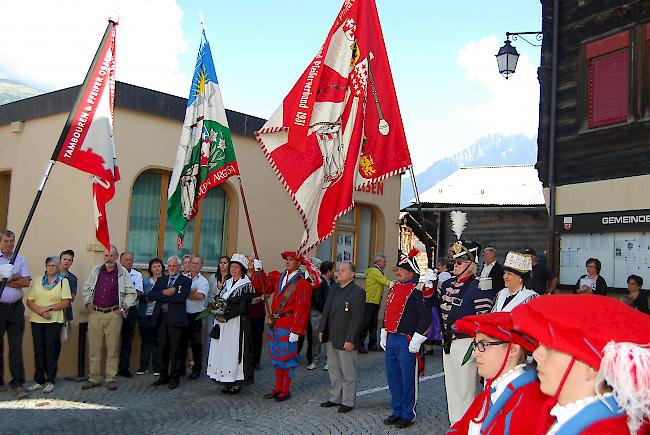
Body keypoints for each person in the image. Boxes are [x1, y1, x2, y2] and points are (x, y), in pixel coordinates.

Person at [512, 295, 650, 434]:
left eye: (550, 347)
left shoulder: (600, 430)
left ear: (592, 366)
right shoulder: (587, 419)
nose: (536, 354)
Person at [448, 312, 553, 434]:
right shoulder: (493, 389)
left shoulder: (527, 400)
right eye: (475, 345)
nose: (476, 353)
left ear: (513, 349)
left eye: (483, 344)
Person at [439, 239, 498, 425]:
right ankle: (455, 424)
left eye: (459, 262)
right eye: (453, 262)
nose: (454, 266)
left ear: (472, 265)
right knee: (452, 389)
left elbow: (483, 318)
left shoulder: (480, 285)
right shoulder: (447, 283)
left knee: (465, 391)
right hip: (449, 342)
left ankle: (465, 426)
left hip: (467, 342)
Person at [381, 247, 434, 429]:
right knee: (393, 377)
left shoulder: (417, 291)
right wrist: (384, 331)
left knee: (407, 378)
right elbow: (388, 311)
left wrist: (417, 339)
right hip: (392, 337)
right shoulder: (394, 288)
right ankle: (396, 410)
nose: (398, 273)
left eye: (401, 270)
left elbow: (426, 317)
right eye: (397, 270)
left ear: (411, 273)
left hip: (407, 340)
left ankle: (407, 413)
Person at [80, 245, 138, 391]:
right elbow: (87, 288)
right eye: (106, 256)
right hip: (95, 314)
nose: (109, 259)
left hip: (114, 315)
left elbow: (132, 293)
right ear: (103, 256)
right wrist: (88, 304)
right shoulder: (96, 271)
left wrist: (123, 308)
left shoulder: (123, 273)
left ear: (116, 256)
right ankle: (94, 378)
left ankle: (111, 378)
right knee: (94, 348)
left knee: (112, 349)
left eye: (112, 256)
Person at [263, 251, 317, 402]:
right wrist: (258, 271)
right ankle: (278, 387)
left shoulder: (302, 284)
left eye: (291, 259)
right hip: (275, 323)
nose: (287, 261)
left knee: (287, 360)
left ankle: (285, 390)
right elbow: (264, 288)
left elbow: (303, 308)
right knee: (276, 357)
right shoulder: (279, 277)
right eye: (287, 259)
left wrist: (297, 330)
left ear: (298, 263)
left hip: (288, 326)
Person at [318, 262, 365, 413]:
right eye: (338, 270)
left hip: (346, 338)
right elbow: (326, 310)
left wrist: (350, 339)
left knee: (348, 372)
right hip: (332, 336)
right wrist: (321, 329)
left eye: (343, 270)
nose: (339, 272)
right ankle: (335, 397)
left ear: (352, 274)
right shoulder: (334, 289)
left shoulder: (357, 292)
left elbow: (357, 318)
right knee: (334, 370)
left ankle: (348, 401)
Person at [206, 253, 255, 393]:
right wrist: (216, 311)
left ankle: (235, 381)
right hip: (223, 324)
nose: (233, 269)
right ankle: (225, 380)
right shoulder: (227, 283)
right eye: (232, 267)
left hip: (236, 324)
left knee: (234, 351)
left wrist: (225, 316)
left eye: (236, 267)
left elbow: (243, 307)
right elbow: (220, 300)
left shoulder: (246, 285)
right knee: (224, 351)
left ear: (242, 269)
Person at [25, 256, 72, 394]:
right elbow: (29, 301)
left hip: (54, 320)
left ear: (59, 268)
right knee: (38, 351)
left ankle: (50, 380)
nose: (52, 268)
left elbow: (65, 302)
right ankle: (39, 380)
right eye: (50, 265)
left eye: (55, 266)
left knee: (51, 350)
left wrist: (48, 308)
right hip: (37, 320)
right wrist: (40, 311)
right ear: (45, 266)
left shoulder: (63, 282)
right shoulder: (38, 281)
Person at [148, 256, 191, 390]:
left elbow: (181, 297)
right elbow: (151, 296)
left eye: (174, 266)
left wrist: (165, 296)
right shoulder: (162, 280)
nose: (172, 268)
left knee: (176, 350)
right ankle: (163, 376)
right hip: (161, 319)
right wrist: (165, 293)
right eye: (170, 266)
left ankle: (174, 378)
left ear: (179, 267)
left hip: (176, 320)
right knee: (162, 348)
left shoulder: (185, 280)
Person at [0, 229, 32, 398]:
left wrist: (6, 279)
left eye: (12, 241)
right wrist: (14, 278)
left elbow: (26, 281)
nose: (9, 244)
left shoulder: (20, 258)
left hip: (16, 308)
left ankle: (17, 384)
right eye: (6, 241)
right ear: (0, 242)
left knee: (15, 347)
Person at [359, 252, 392, 353]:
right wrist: (396, 284)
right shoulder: (374, 271)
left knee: (373, 323)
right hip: (370, 300)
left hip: (375, 300)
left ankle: (372, 344)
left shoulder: (377, 270)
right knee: (366, 323)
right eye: (384, 262)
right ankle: (360, 344)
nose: (385, 264)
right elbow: (385, 281)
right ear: (378, 261)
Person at [117, 251, 143, 378]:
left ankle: (124, 368)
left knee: (127, 340)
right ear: (120, 261)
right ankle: (112, 369)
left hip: (130, 310)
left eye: (130, 260)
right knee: (113, 339)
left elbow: (138, 293)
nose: (128, 262)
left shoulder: (137, 275)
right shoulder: (114, 273)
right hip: (115, 309)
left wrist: (126, 301)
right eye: (126, 259)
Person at [136, 258, 164, 376]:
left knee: (157, 341)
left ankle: (157, 367)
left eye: (159, 266)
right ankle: (144, 366)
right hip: (145, 314)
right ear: (150, 269)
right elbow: (140, 297)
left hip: (159, 315)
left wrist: (153, 296)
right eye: (154, 266)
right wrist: (152, 296)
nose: (157, 268)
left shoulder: (165, 281)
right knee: (145, 340)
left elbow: (164, 297)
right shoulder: (145, 281)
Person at [184, 255, 209, 380]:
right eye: (192, 263)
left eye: (197, 263)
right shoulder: (183, 278)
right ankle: (180, 369)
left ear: (201, 266)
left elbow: (200, 296)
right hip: (183, 315)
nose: (194, 265)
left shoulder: (203, 281)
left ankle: (197, 369)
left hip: (196, 316)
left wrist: (185, 293)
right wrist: (191, 292)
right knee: (182, 343)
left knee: (196, 344)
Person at [308, 260, 335, 370]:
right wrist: (326, 309)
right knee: (316, 337)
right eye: (333, 270)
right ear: (328, 271)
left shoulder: (333, 282)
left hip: (329, 314)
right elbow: (317, 300)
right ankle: (315, 360)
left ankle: (329, 361)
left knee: (329, 338)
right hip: (318, 314)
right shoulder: (319, 282)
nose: (334, 272)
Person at [246, 254, 267, 371]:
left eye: (253, 261)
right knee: (246, 337)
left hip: (257, 312)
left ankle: (256, 361)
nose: (251, 263)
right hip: (245, 312)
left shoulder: (261, 275)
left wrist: (260, 299)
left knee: (257, 337)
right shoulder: (242, 275)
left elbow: (267, 292)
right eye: (249, 260)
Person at [59, 249, 77, 323]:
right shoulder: (51, 274)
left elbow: (72, 297)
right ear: (60, 260)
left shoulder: (73, 278)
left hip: (65, 314)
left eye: (69, 260)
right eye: (65, 259)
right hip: (50, 312)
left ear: (71, 263)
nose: (67, 261)